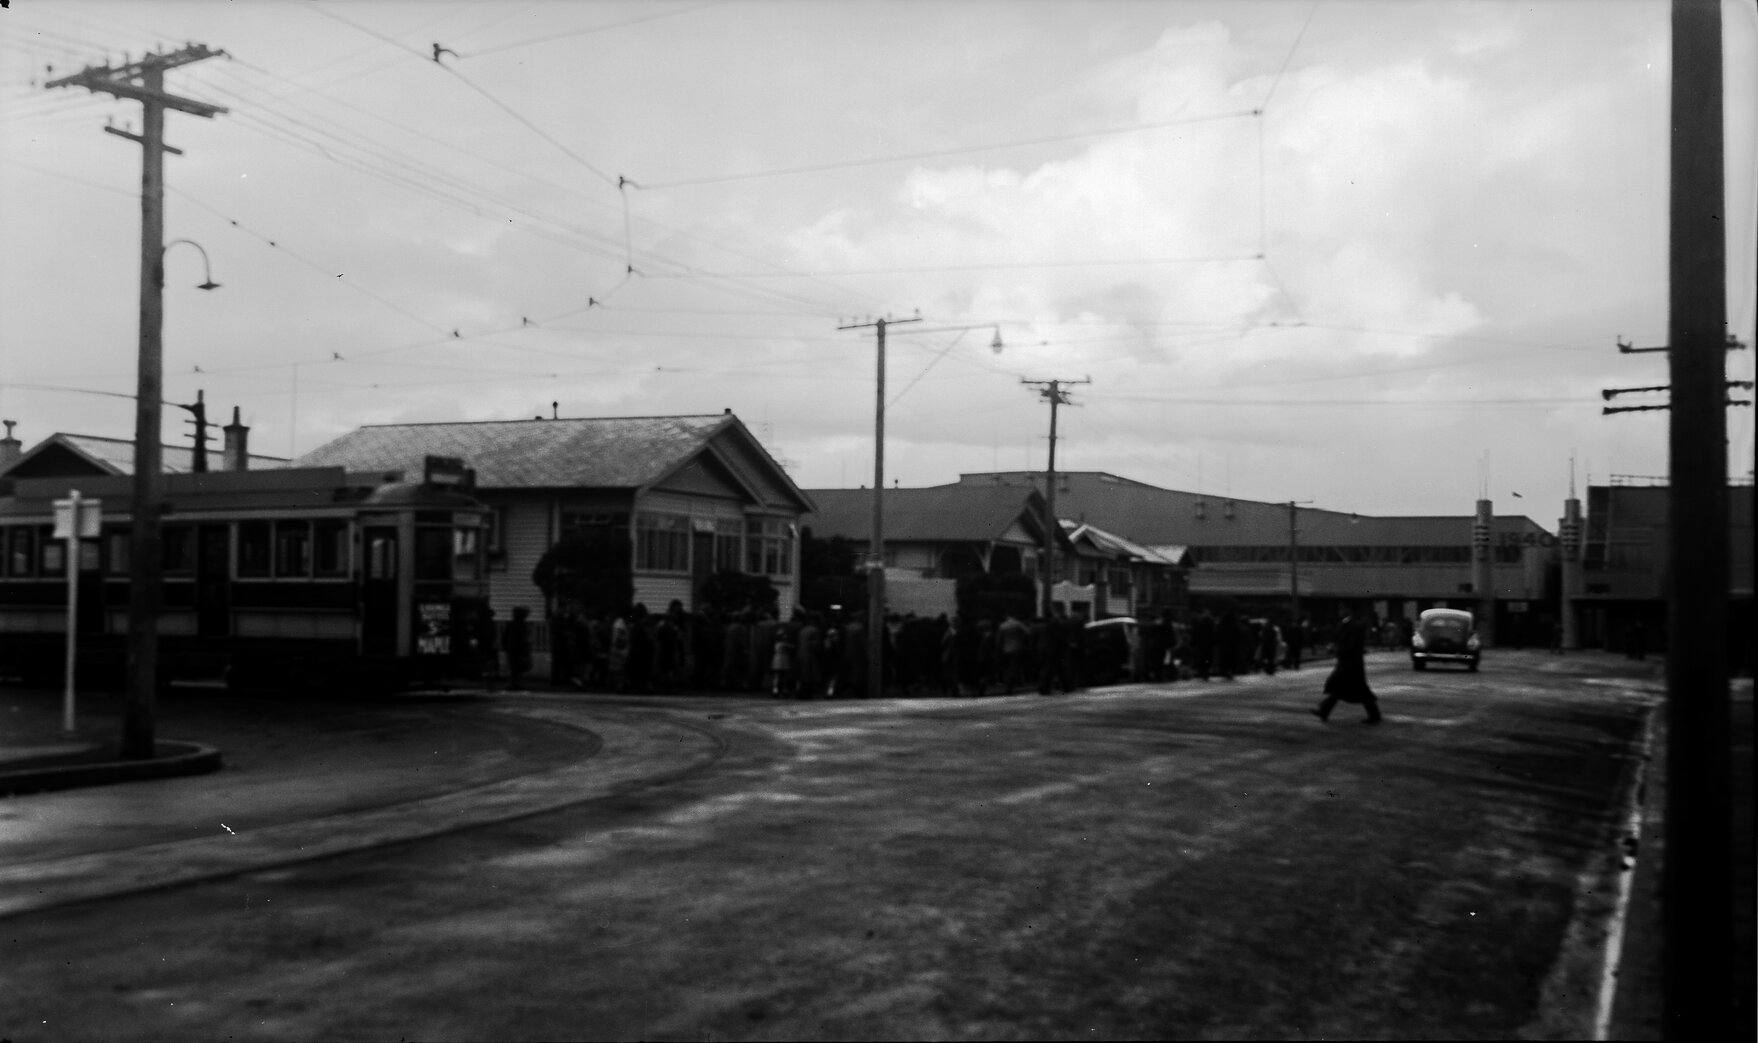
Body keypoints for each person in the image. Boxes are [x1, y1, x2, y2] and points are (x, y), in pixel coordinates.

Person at [1312, 608, 1381, 724]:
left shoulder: (1351, 626)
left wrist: (1337, 650)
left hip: (1349, 664)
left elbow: (1350, 645)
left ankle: (1324, 710)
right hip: (1351, 663)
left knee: (1345, 688)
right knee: (1347, 689)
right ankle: (1324, 710)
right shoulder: (1351, 625)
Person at [504, 606, 532, 684]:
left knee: (515, 667)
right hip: (518, 649)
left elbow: (505, 636)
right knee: (517, 667)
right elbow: (524, 638)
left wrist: (506, 646)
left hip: (512, 649)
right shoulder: (521, 625)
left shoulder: (512, 624)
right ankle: (515, 683)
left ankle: (514, 683)